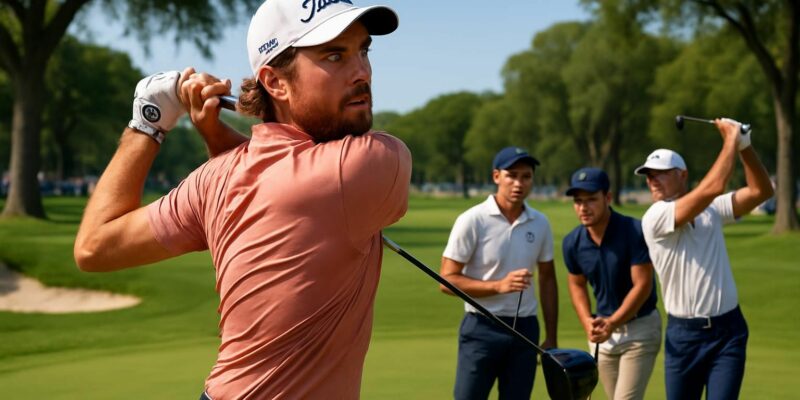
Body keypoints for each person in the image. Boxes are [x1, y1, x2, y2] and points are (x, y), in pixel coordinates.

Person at [73, 1, 411, 399]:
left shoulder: (216, 178)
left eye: (363, 50)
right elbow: (294, 183)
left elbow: (94, 246)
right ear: (275, 82)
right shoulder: (374, 162)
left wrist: (149, 121)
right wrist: (216, 135)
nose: (361, 72)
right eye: (334, 56)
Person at [635, 118, 773, 400]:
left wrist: (745, 147)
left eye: (660, 173)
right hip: (684, 337)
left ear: (682, 175)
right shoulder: (654, 216)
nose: (652, 180)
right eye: (648, 175)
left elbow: (762, 191)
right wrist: (730, 140)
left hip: (728, 333)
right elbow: (714, 186)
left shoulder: (711, 210)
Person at [439, 146, 558, 400]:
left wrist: (552, 334)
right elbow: (447, 280)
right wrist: (498, 286)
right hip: (481, 327)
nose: (519, 183)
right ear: (496, 177)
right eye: (511, 175)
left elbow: (548, 278)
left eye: (526, 176)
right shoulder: (472, 220)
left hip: (525, 329)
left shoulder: (540, 222)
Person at [562, 167, 661, 400]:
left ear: (608, 198)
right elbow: (576, 285)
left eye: (591, 200)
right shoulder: (572, 243)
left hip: (640, 329)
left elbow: (643, 285)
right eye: (578, 201)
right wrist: (587, 321)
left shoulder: (634, 231)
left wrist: (613, 322)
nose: (583, 208)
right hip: (602, 334)